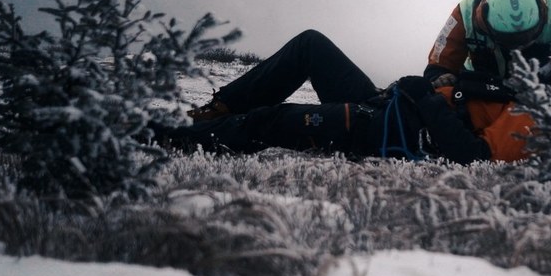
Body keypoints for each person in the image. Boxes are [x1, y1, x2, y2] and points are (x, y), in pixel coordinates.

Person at [167, 29, 532, 164]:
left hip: (379, 132)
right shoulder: (509, 88)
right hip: (383, 105)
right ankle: (215, 111)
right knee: (311, 45)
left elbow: (473, 157)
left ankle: (162, 138)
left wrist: (426, 97)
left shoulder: (530, 119)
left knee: (270, 121)